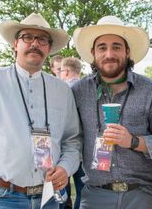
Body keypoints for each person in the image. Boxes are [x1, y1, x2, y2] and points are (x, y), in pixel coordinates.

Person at [0, 13, 82, 209]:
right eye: (27, 37)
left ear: (48, 47)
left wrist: (65, 168)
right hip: (3, 196)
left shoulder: (62, 91)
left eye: (42, 39)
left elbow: (72, 140)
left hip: (48, 196)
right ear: (15, 43)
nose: (35, 44)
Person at [71, 16, 152, 209]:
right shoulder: (79, 92)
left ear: (127, 52)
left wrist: (134, 141)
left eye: (116, 47)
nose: (109, 54)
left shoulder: (151, 91)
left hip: (140, 195)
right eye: (102, 47)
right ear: (93, 53)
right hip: (95, 195)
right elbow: (71, 137)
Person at [59, 56, 85, 209]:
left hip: (66, 148)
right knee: (83, 191)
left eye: (61, 71)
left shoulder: (63, 90)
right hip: (85, 149)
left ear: (67, 71)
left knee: (62, 191)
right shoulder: (88, 88)